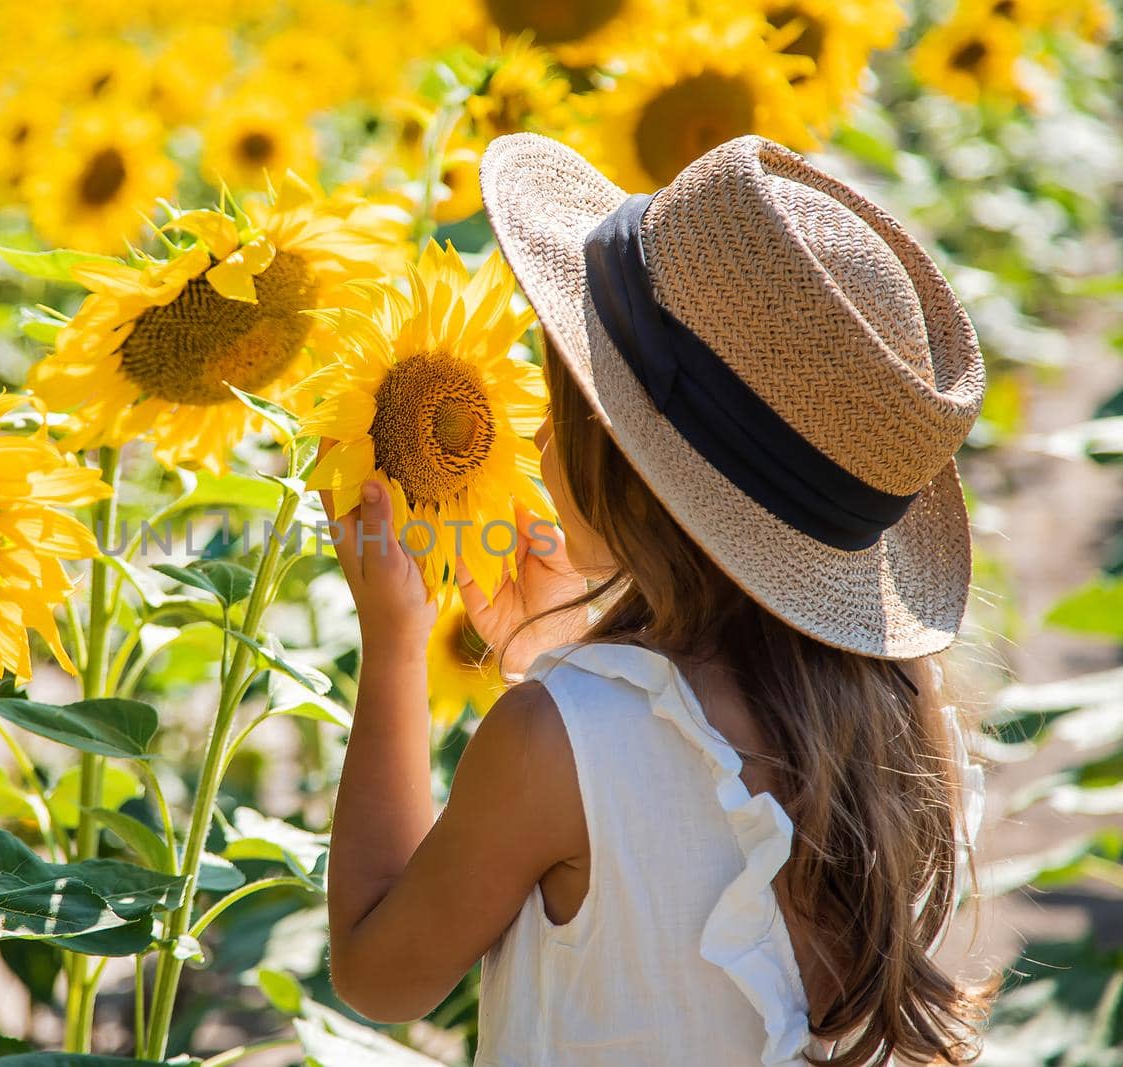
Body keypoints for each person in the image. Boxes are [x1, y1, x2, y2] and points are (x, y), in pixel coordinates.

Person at [319, 132, 994, 1065]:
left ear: (617, 458)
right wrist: (563, 650)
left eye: (564, 389)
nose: (538, 424)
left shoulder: (548, 743)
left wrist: (393, 650)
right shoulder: (910, 713)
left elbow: (376, 969)